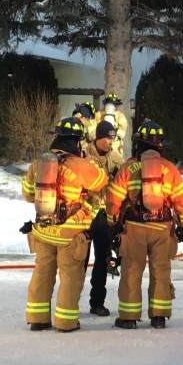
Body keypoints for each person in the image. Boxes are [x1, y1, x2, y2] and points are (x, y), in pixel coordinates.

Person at [20, 117, 108, 333]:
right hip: (69, 234)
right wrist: (89, 162)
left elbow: (28, 195)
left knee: (42, 274)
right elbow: (101, 181)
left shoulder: (39, 163)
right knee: (70, 277)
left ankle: (38, 319)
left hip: (43, 230)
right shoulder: (80, 165)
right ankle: (66, 322)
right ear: (78, 141)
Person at [105, 120, 183, 329]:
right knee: (161, 271)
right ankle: (159, 316)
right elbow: (181, 199)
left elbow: (113, 199)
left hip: (134, 227)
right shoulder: (169, 168)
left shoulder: (128, 167)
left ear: (138, 143)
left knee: (132, 271)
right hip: (162, 228)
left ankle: (128, 317)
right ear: (160, 145)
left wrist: (112, 222)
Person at [82, 119, 125, 317]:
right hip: (83, 214)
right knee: (78, 261)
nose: (110, 142)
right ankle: (70, 303)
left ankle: (97, 303)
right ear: (98, 138)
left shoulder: (115, 157)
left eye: (113, 138)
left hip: (104, 216)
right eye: (107, 138)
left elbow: (123, 183)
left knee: (102, 260)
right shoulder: (83, 155)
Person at [93, 93, 128, 157]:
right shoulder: (99, 114)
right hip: (112, 143)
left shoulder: (119, 115)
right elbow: (123, 130)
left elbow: (122, 129)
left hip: (110, 143)